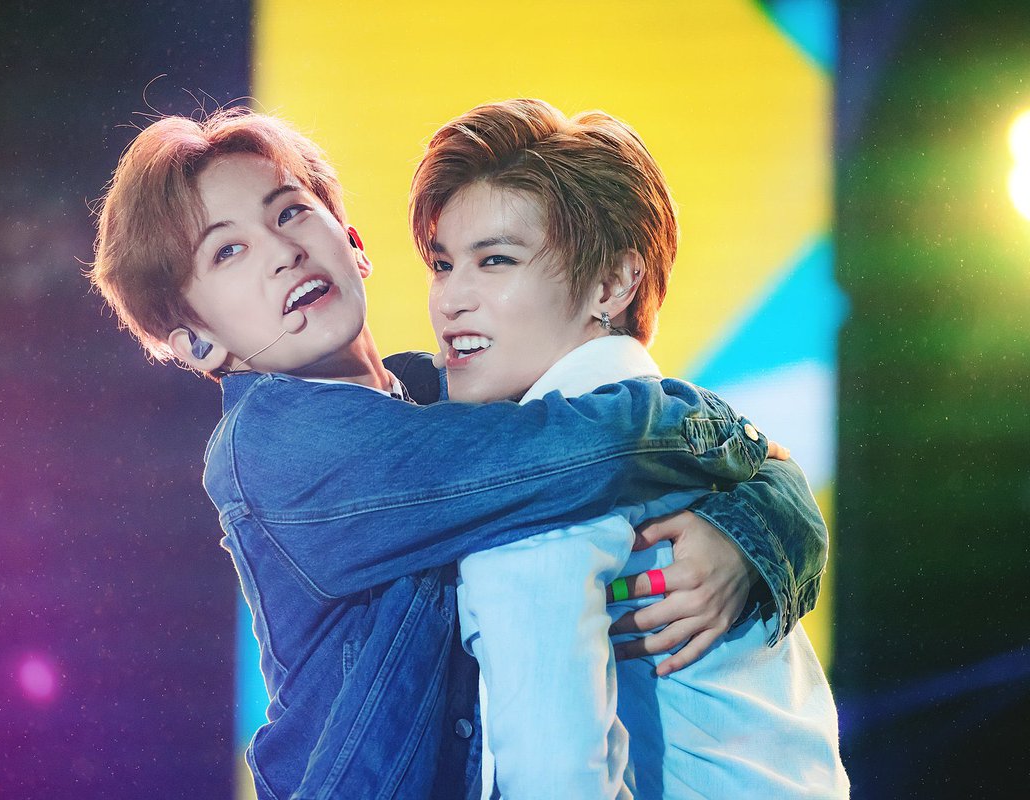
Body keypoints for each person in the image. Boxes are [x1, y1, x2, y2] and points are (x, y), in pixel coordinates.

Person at [88, 107, 827, 799]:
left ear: (353, 243)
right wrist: (734, 449)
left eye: (290, 212)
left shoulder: (450, 397)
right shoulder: (275, 445)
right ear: (197, 343)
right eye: (228, 250)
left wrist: (755, 528)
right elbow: (571, 455)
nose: (283, 252)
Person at [409, 98, 850, 799]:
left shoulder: (541, 473)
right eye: (441, 264)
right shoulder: (696, 452)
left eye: (494, 260)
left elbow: (555, 782)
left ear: (613, 284)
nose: (449, 299)